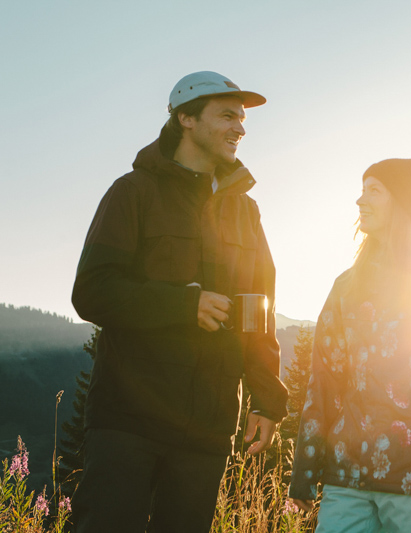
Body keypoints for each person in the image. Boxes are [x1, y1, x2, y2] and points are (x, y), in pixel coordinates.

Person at [71, 71, 288, 532]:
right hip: (128, 420)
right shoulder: (133, 193)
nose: (240, 129)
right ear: (185, 118)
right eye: (227, 115)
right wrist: (181, 305)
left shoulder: (245, 212)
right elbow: (92, 291)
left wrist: (266, 399)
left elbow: (257, 306)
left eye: (243, 119)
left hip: (207, 426)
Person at [288, 159, 411, 532]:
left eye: (374, 190)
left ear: (403, 202)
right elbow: (324, 381)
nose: (360, 200)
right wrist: (306, 468)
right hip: (347, 481)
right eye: (362, 189)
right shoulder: (347, 286)